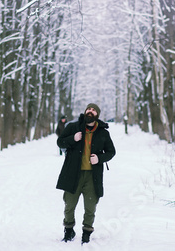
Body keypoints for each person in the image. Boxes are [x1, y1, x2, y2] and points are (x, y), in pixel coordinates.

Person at [56, 103, 116, 244]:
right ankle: (69, 230)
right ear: (85, 112)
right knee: (69, 205)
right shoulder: (73, 127)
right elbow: (60, 142)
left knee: (90, 207)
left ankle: (86, 233)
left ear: (97, 115)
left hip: (92, 176)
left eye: (93, 110)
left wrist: (99, 159)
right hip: (73, 173)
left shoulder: (103, 133)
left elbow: (111, 152)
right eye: (89, 109)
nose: (90, 111)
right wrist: (73, 139)